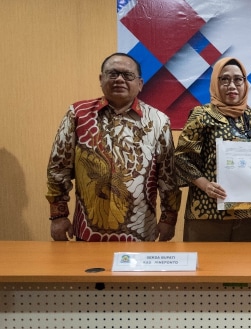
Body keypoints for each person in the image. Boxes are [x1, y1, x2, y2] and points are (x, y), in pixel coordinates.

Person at [46, 52, 182, 242]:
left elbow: (168, 177)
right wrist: (58, 216)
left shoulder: (158, 121)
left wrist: (169, 218)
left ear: (140, 83)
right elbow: (58, 168)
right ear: (101, 79)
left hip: (141, 232)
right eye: (113, 74)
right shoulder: (77, 114)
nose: (119, 79)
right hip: (88, 231)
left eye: (127, 75)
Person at [174, 57, 251, 242]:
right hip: (208, 211)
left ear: (245, 84)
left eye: (238, 79)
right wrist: (206, 185)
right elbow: (182, 157)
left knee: (246, 267)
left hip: (249, 212)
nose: (232, 85)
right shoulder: (202, 115)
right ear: (215, 82)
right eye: (224, 79)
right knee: (207, 267)